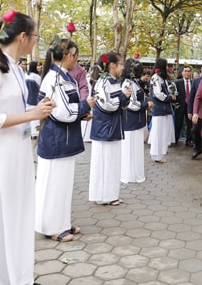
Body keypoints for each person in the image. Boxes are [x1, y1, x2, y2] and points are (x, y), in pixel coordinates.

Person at [0, 10, 55, 285]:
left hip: (18, 149)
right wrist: (32, 114)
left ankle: (20, 278)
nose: (35, 42)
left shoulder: (16, 68)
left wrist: (33, 113)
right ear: (23, 36)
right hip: (1, 153)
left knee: (19, 212)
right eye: (34, 36)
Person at [35, 39, 95, 242]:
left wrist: (81, 113)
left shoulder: (63, 77)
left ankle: (61, 222)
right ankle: (52, 227)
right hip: (56, 140)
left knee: (63, 184)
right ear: (69, 55)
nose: (76, 60)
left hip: (65, 139)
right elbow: (62, 112)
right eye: (76, 55)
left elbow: (70, 109)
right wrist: (85, 106)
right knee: (54, 184)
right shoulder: (54, 79)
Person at [89, 52, 130, 205]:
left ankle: (111, 194)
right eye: (121, 64)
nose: (123, 67)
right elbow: (106, 105)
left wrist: (125, 97)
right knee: (103, 163)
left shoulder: (115, 82)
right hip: (104, 129)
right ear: (111, 65)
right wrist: (122, 97)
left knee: (112, 163)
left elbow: (117, 103)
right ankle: (101, 196)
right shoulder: (103, 82)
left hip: (113, 127)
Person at [121, 58, 152, 183]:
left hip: (137, 121)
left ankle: (135, 174)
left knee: (136, 149)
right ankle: (128, 175)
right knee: (129, 149)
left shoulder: (134, 82)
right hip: (130, 121)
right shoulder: (127, 83)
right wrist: (145, 105)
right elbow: (130, 104)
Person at [149, 58, 175, 163]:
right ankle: (156, 154)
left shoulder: (161, 78)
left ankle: (161, 153)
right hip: (159, 108)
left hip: (164, 109)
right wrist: (169, 98)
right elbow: (158, 93)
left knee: (163, 132)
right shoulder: (155, 78)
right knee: (158, 132)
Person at [188, 60, 202, 158]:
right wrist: (191, 111)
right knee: (195, 130)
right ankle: (197, 148)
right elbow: (192, 97)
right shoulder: (196, 81)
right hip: (198, 111)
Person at [174, 65, 192, 146]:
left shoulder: (193, 82)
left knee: (190, 124)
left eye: (189, 71)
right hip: (180, 106)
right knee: (178, 123)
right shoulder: (177, 82)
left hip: (190, 106)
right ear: (182, 72)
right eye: (185, 71)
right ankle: (175, 139)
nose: (187, 73)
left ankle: (189, 140)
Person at [26, 60, 42, 138]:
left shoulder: (25, 75)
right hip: (35, 98)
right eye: (38, 66)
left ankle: (30, 133)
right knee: (35, 117)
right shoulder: (37, 77)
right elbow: (41, 88)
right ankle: (35, 133)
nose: (40, 67)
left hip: (27, 99)